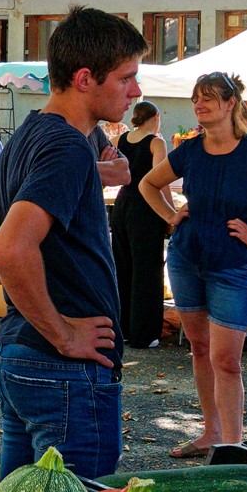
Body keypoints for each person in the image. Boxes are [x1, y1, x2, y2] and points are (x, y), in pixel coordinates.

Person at [0, 6, 147, 479]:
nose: (136, 91)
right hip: (61, 368)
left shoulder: (33, 135)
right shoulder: (66, 147)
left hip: (24, 355)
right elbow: (10, 248)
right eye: (126, 79)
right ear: (84, 78)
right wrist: (64, 333)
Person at [139, 71, 247, 455]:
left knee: (226, 360)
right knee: (199, 349)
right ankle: (210, 433)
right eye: (196, 98)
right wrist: (171, 216)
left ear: (231, 104)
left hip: (232, 264)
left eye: (209, 99)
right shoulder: (190, 149)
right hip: (186, 258)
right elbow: (147, 184)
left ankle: (232, 446)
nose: (199, 105)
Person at [109, 103, 170, 350]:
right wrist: (170, 214)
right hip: (147, 205)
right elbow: (161, 180)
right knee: (147, 270)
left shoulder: (117, 140)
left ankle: (121, 328)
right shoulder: (157, 143)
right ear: (156, 117)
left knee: (123, 267)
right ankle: (144, 333)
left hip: (122, 203)